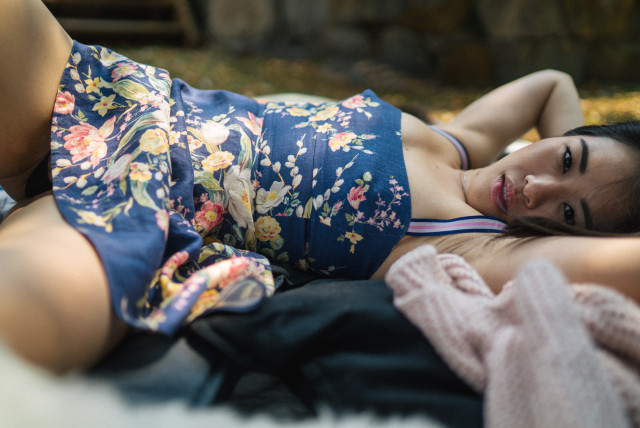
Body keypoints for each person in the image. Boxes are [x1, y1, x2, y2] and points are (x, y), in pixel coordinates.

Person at [2, 0, 640, 372]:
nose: (535, 188)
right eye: (567, 159)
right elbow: (553, 81)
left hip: (136, 219)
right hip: (117, 105)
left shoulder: (472, 243)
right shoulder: (457, 142)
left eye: (570, 213)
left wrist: (586, 211)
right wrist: (572, 161)